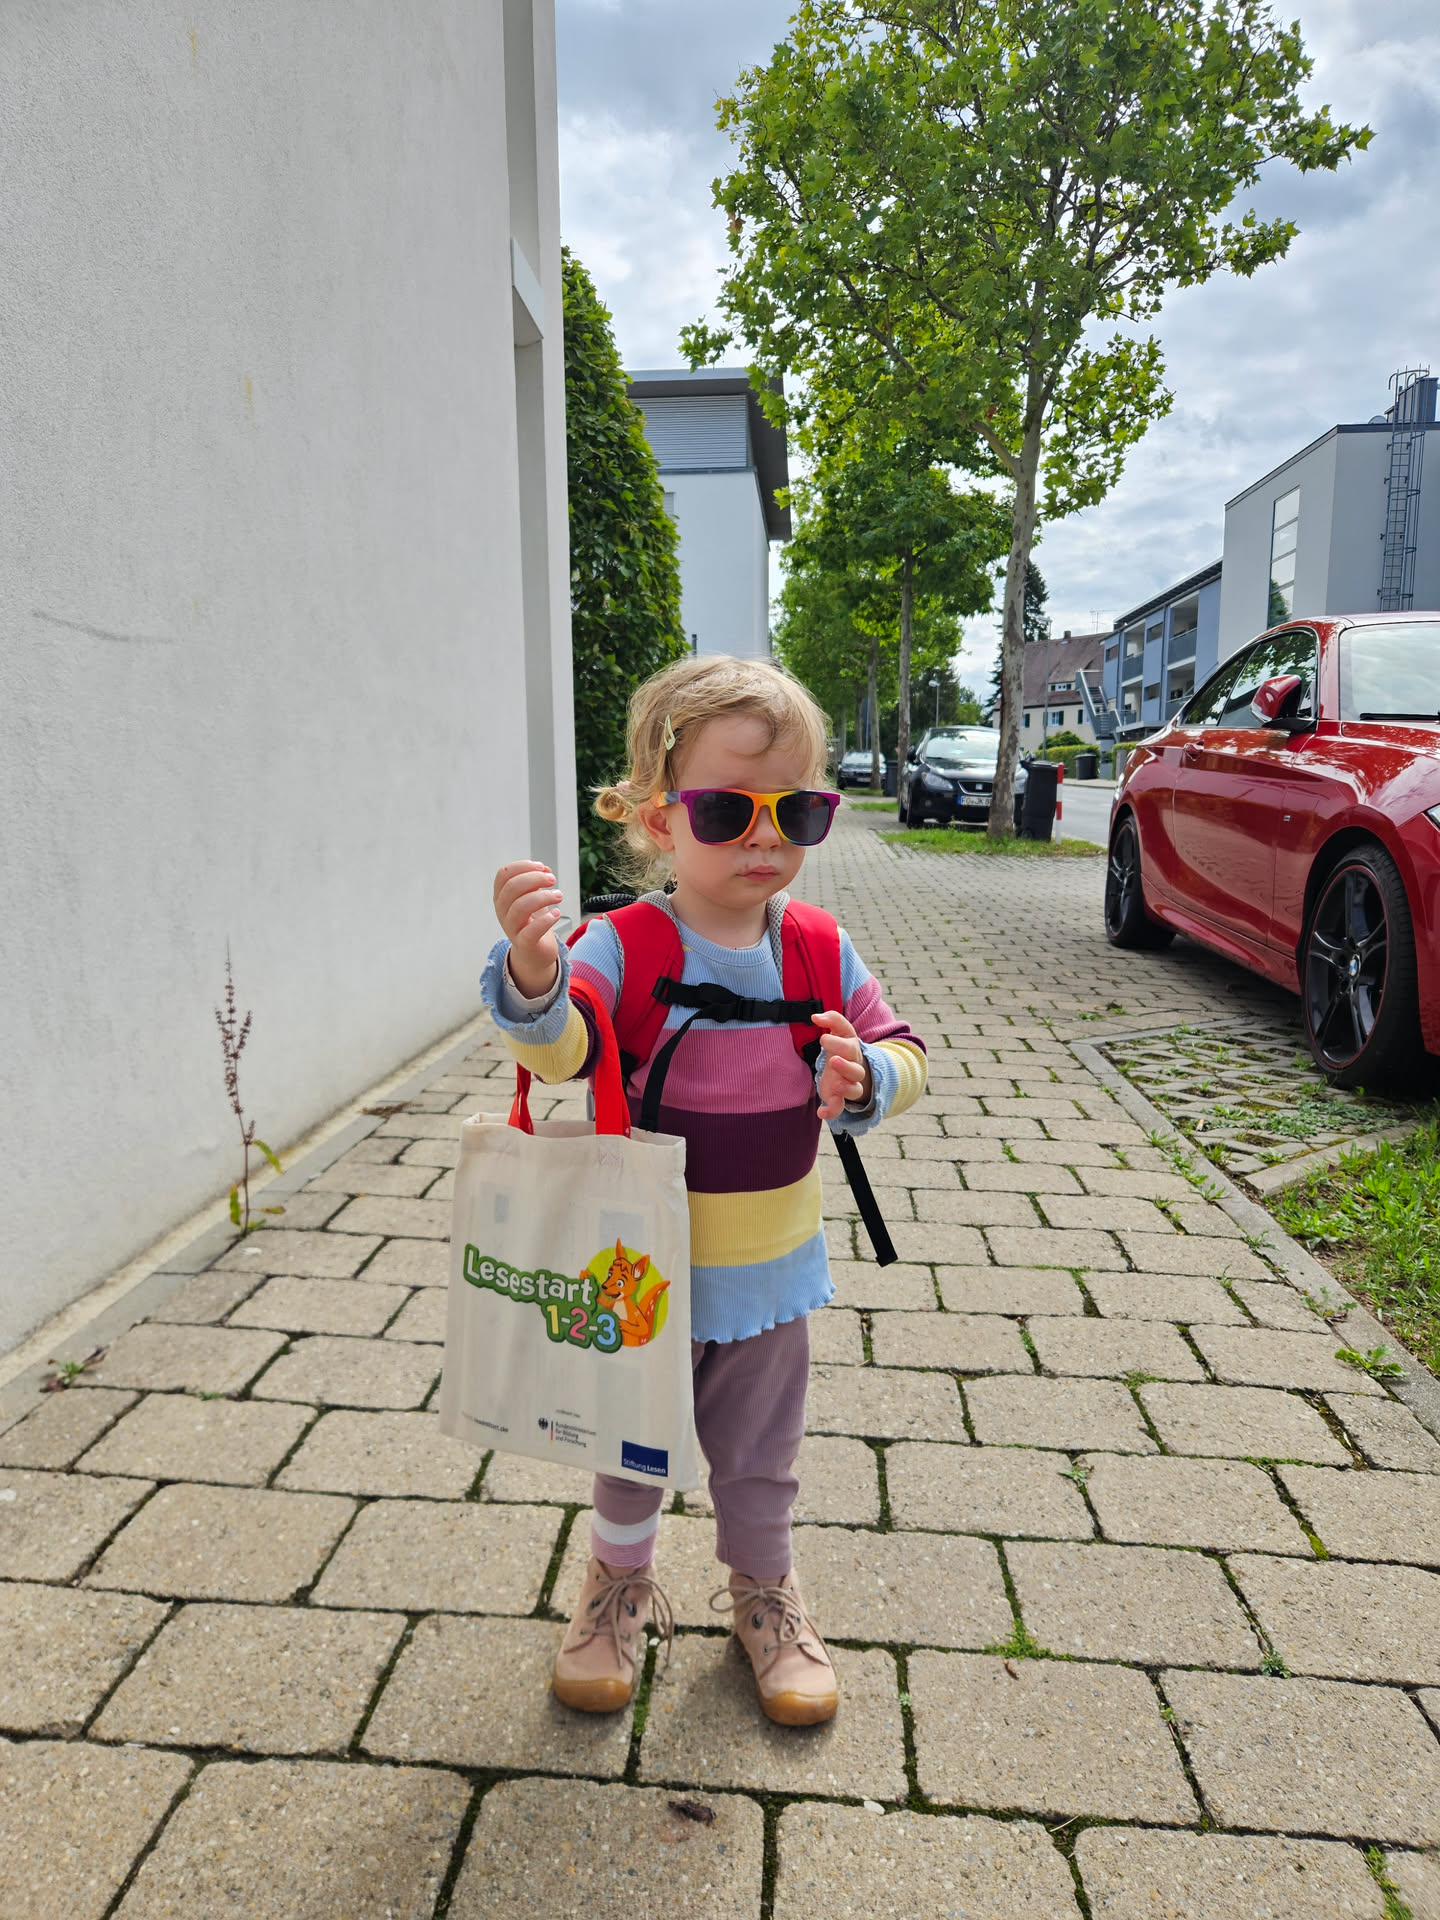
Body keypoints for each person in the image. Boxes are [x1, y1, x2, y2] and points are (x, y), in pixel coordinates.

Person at [484, 655, 926, 1726]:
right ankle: (617, 1585)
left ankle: (764, 1594)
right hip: (642, 1270)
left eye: (798, 812)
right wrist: (535, 978)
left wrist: (870, 1077)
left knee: (763, 1456)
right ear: (658, 817)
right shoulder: (623, 944)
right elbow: (562, 1051)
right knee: (629, 1442)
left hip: (771, 1272)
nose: (765, 838)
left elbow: (903, 1047)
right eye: (729, 811)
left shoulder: (818, 946)